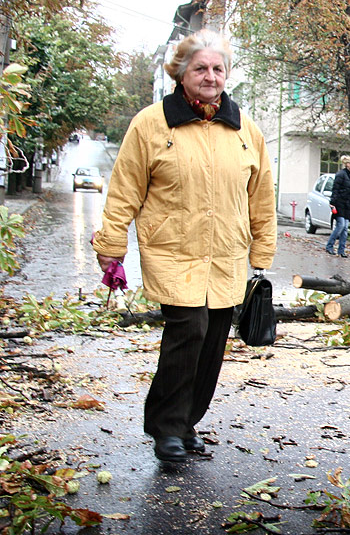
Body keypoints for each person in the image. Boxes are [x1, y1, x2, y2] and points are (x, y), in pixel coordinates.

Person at [92, 29, 277, 462]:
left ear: (226, 74)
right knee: (187, 331)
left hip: (227, 253)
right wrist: (111, 242)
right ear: (181, 73)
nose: (210, 76)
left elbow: (261, 195)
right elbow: (124, 189)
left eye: (218, 69)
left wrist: (262, 252)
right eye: (201, 68)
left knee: (213, 340)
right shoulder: (152, 123)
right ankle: (167, 428)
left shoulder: (245, 129)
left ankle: (188, 421)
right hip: (174, 250)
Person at [326, 155, 350, 258]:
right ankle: (329, 246)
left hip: (347, 205)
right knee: (341, 225)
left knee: (345, 228)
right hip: (339, 204)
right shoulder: (340, 175)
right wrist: (332, 203)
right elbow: (335, 189)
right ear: (348, 164)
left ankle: (341, 250)